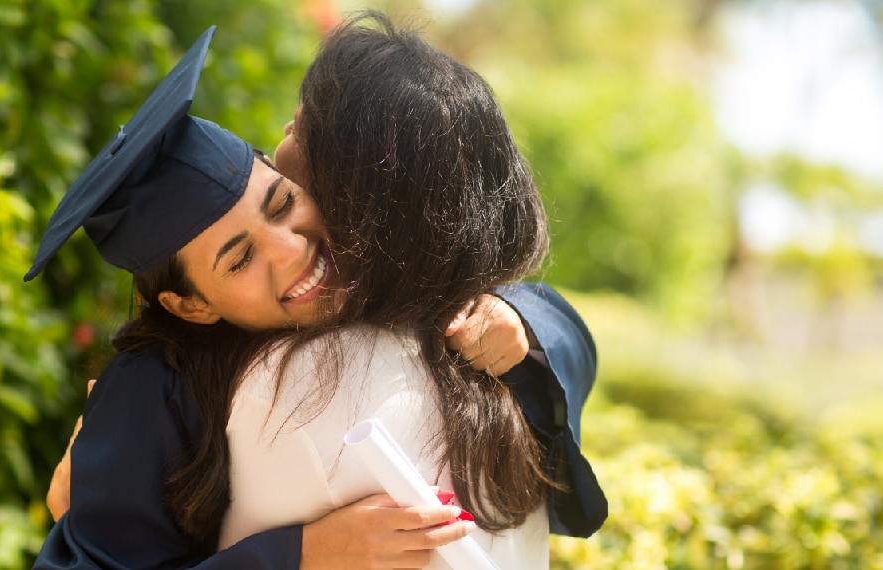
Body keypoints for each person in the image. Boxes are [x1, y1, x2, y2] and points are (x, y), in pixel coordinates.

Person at [29, 18, 603, 570]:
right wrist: (297, 555)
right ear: (190, 305)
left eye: (282, 203)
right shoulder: (152, 387)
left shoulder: (383, 287)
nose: (291, 251)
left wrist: (519, 323)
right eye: (240, 258)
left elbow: (558, 328)